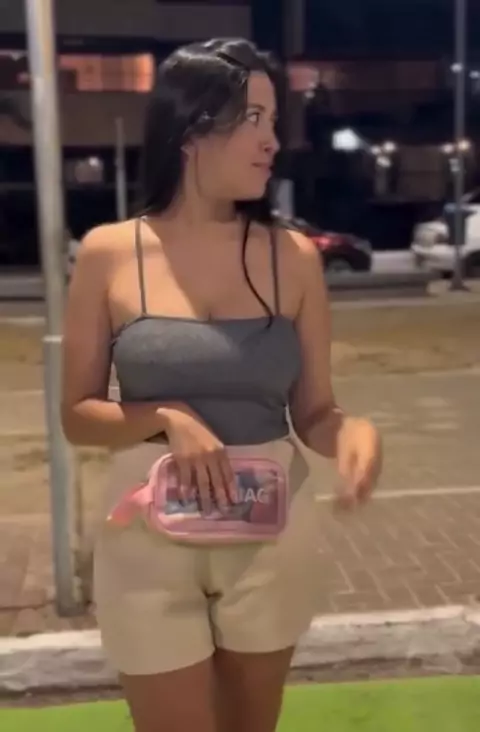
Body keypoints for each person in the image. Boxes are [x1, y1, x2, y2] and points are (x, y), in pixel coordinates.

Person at [61, 38, 382, 732]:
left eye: (274, 121)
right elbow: (78, 416)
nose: (273, 142)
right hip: (146, 536)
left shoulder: (294, 258)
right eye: (253, 119)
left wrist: (352, 433)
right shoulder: (109, 252)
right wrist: (165, 416)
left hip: (269, 533)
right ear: (191, 130)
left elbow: (315, 411)